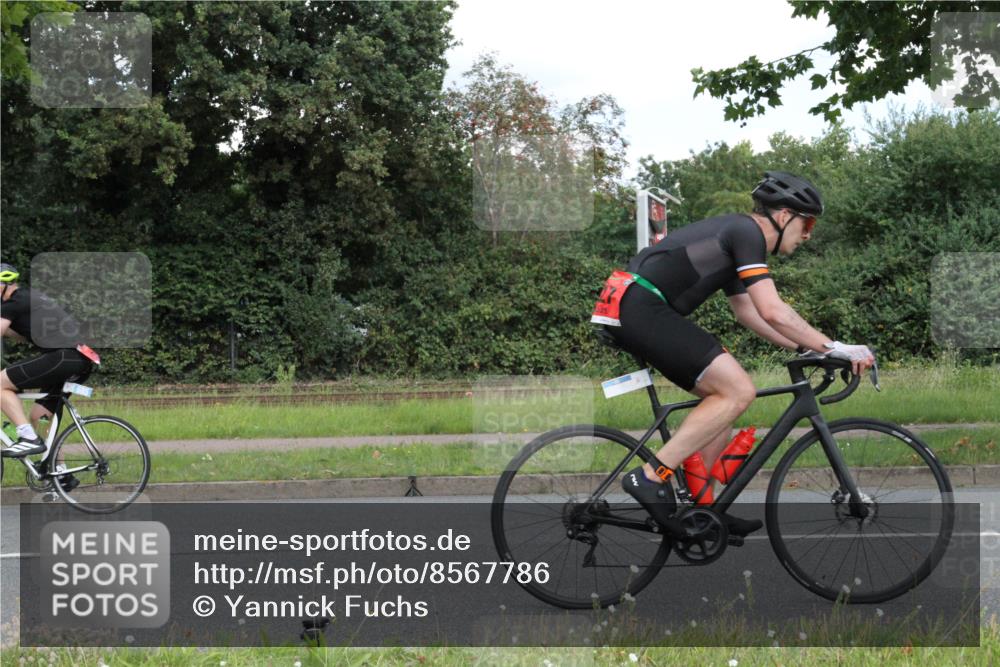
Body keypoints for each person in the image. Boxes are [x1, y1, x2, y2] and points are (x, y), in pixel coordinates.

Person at [594, 172, 875, 538]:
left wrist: (809, 350)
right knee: (737, 390)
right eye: (807, 224)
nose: (808, 234)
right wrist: (834, 347)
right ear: (786, 215)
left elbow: (748, 311)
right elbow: (773, 310)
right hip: (639, 305)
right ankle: (650, 476)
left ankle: (702, 510)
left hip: (632, 304)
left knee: (721, 401)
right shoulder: (747, 232)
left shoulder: (737, 237)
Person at [1, 262, 98, 458]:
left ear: (4, 284)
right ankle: (59, 474)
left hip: (62, 357)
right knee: (40, 417)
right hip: (81, 359)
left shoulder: (14, 302)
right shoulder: (29, 298)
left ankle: (28, 437)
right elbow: (17, 333)